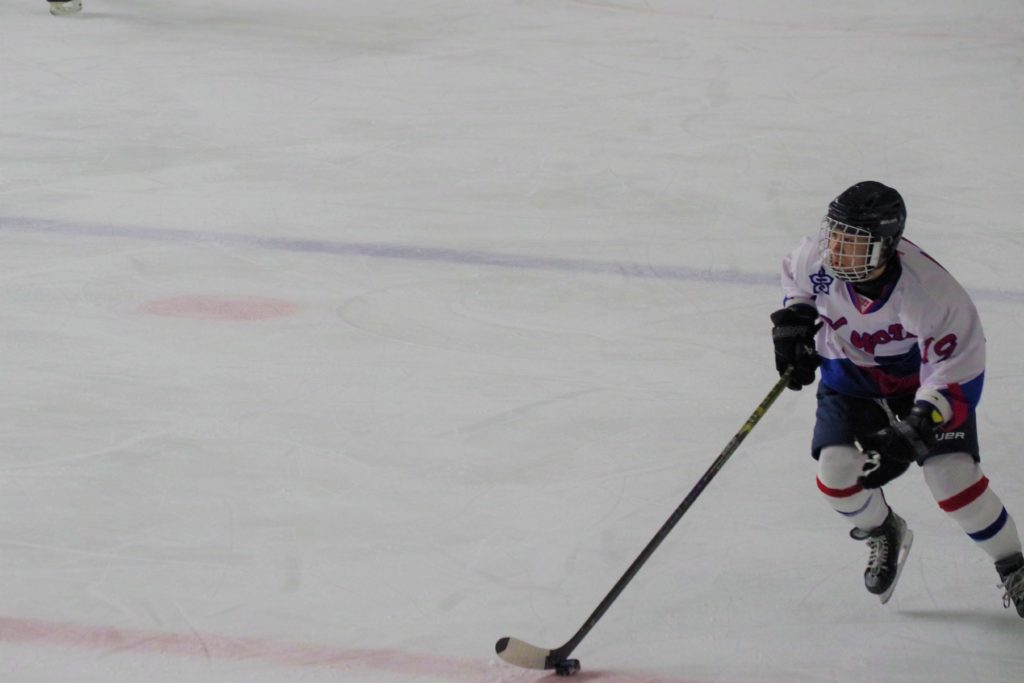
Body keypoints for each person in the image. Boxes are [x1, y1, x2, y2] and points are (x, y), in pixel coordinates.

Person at [770, 180, 1024, 615]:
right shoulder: (816, 257)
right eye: (835, 236)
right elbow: (798, 282)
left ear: (886, 247)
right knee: (837, 476)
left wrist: (918, 428)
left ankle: (1013, 564)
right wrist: (795, 321)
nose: (836, 251)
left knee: (952, 477)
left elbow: (958, 372)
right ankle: (884, 529)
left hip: (922, 387)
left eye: (853, 243)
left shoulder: (931, 293)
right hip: (849, 380)